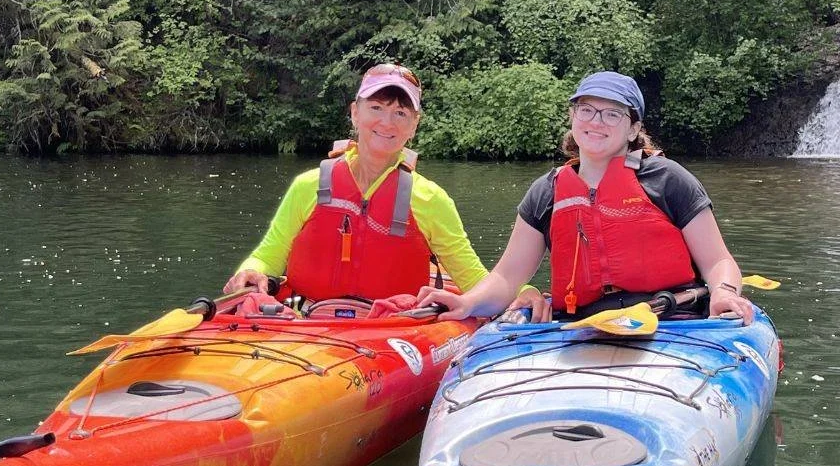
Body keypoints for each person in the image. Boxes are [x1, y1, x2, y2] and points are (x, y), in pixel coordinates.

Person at [414, 70, 755, 325]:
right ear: (573, 117)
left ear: (633, 128)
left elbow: (717, 261)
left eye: (612, 114)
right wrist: (468, 303)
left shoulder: (668, 179)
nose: (597, 122)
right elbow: (506, 278)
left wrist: (724, 292)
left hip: (673, 322)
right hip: (580, 328)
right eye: (587, 110)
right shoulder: (546, 192)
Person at [224, 63, 546, 319]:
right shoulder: (308, 185)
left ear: (414, 125)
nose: (387, 123)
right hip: (305, 319)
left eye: (401, 113)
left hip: (390, 329)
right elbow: (269, 254)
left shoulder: (430, 199)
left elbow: (473, 278)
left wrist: (522, 291)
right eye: (376, 107)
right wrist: (250, 271)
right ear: (355, 112)